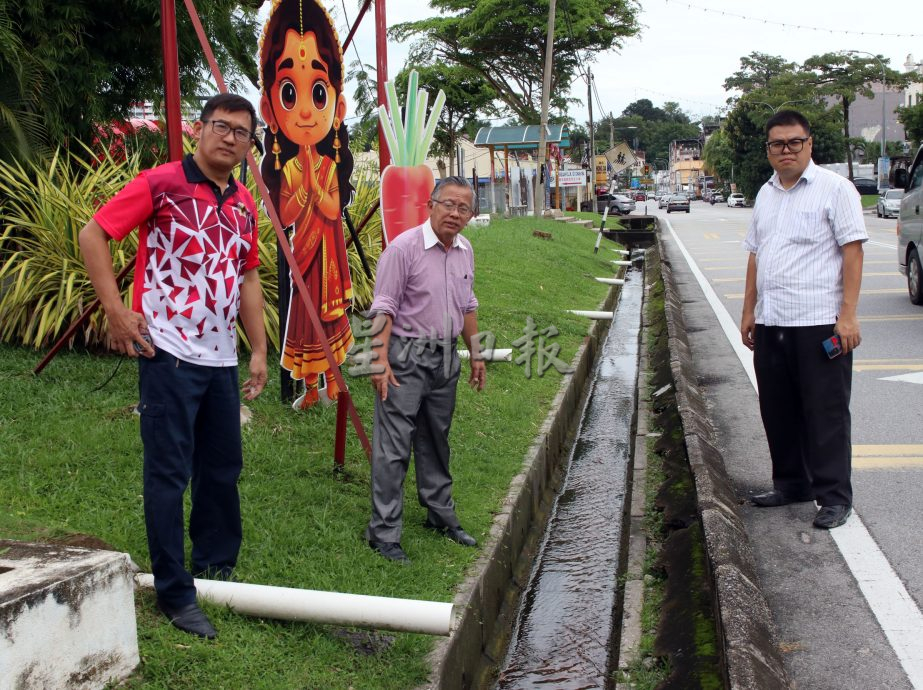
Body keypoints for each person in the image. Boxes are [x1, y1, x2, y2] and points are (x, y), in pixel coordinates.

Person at [79, 93, 267, 638]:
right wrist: (116, 311)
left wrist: (256, 349)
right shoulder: (161, 184)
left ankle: (215, 566)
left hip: (221, 359)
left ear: (249, 145)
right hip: (166, 352)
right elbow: (95, 232)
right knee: (168, 472)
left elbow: (249, 277)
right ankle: (174, 592)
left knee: (222, 466)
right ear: (199, 130)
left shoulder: (243, 204)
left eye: (241, 132)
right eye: (220, 126)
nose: (230, 138)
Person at [740, 109, 867, 530]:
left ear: (809, 144)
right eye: (777, 144)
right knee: (777, 409)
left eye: (795, 142)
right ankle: (792, 483)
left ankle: (833, 497)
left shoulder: (836, 189)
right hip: (773, 321)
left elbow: (852, 251)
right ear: (769, 150)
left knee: (825, 412)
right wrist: (749, 312)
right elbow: (756, 254)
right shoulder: (765, 194)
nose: (786, 150)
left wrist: (847, 316)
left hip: (818, 323)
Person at [364, 176, 487, 563]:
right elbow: (383, 306)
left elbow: (468, 305)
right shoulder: (404, 249)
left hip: (446, 356)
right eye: (447, 204)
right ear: (430, 205)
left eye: (463, 207)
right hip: (405, 356)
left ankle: (440, 514)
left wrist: (477, 354)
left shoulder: (465, 249)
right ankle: (383, 533)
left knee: (437, 438)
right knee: (394, 445)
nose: (454, 213)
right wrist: (378, 360)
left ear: (470, 215)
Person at [259, 0, 355, 409]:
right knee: (304, 324)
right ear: (269, 109)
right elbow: (286, 217)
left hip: (329, 264)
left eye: (318, 93)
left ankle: (334, 386)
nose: (303, 111)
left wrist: (320, 188)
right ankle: (311, 389)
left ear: (338, 108)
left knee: (330, 322)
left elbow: (334, 210)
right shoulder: (291, 169)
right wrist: (304, 189)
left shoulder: (330, 168)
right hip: (305, 261)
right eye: (287, 92)